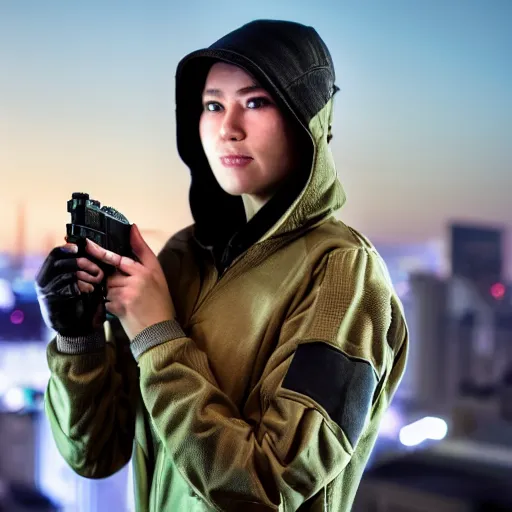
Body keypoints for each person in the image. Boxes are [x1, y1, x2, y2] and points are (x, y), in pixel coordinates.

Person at [36, 19, 408, 512]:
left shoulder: (345, 277)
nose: (228, 129)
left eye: (256, 102)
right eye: (213, 105)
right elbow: (95, 454)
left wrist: (156, 334)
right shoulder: (182, 257)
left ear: (308, 120)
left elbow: (266, 485)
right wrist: (78, 342)